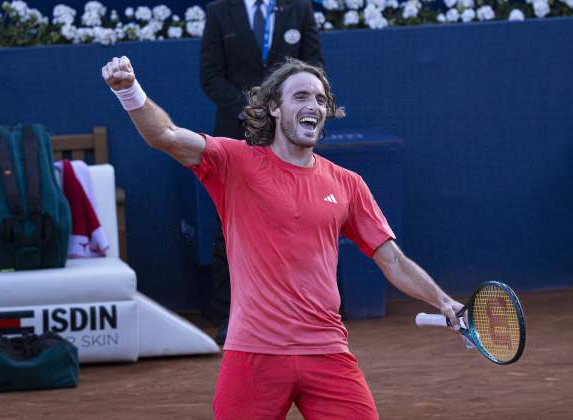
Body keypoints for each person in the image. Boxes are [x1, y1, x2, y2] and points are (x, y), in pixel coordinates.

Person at [102, 56, 465, 420]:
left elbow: (394, 261)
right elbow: (163, 136)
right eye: (301, 97)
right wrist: (129, 91)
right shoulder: (234, 162)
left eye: (321, 100)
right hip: (254, 352)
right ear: (274, 107)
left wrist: (443, 300)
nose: (314, 106)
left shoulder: (348, 185)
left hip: (326, 351)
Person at [200, 0, 324, 344]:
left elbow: (314, 69)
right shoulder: (219, 10)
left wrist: (286, 111)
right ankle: (228, 316)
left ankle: (304, 312)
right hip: (237, 131)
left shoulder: (298, 7)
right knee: (230, 223)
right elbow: (211, 76)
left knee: (299, 220)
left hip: (290, 134)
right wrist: (256, 110)